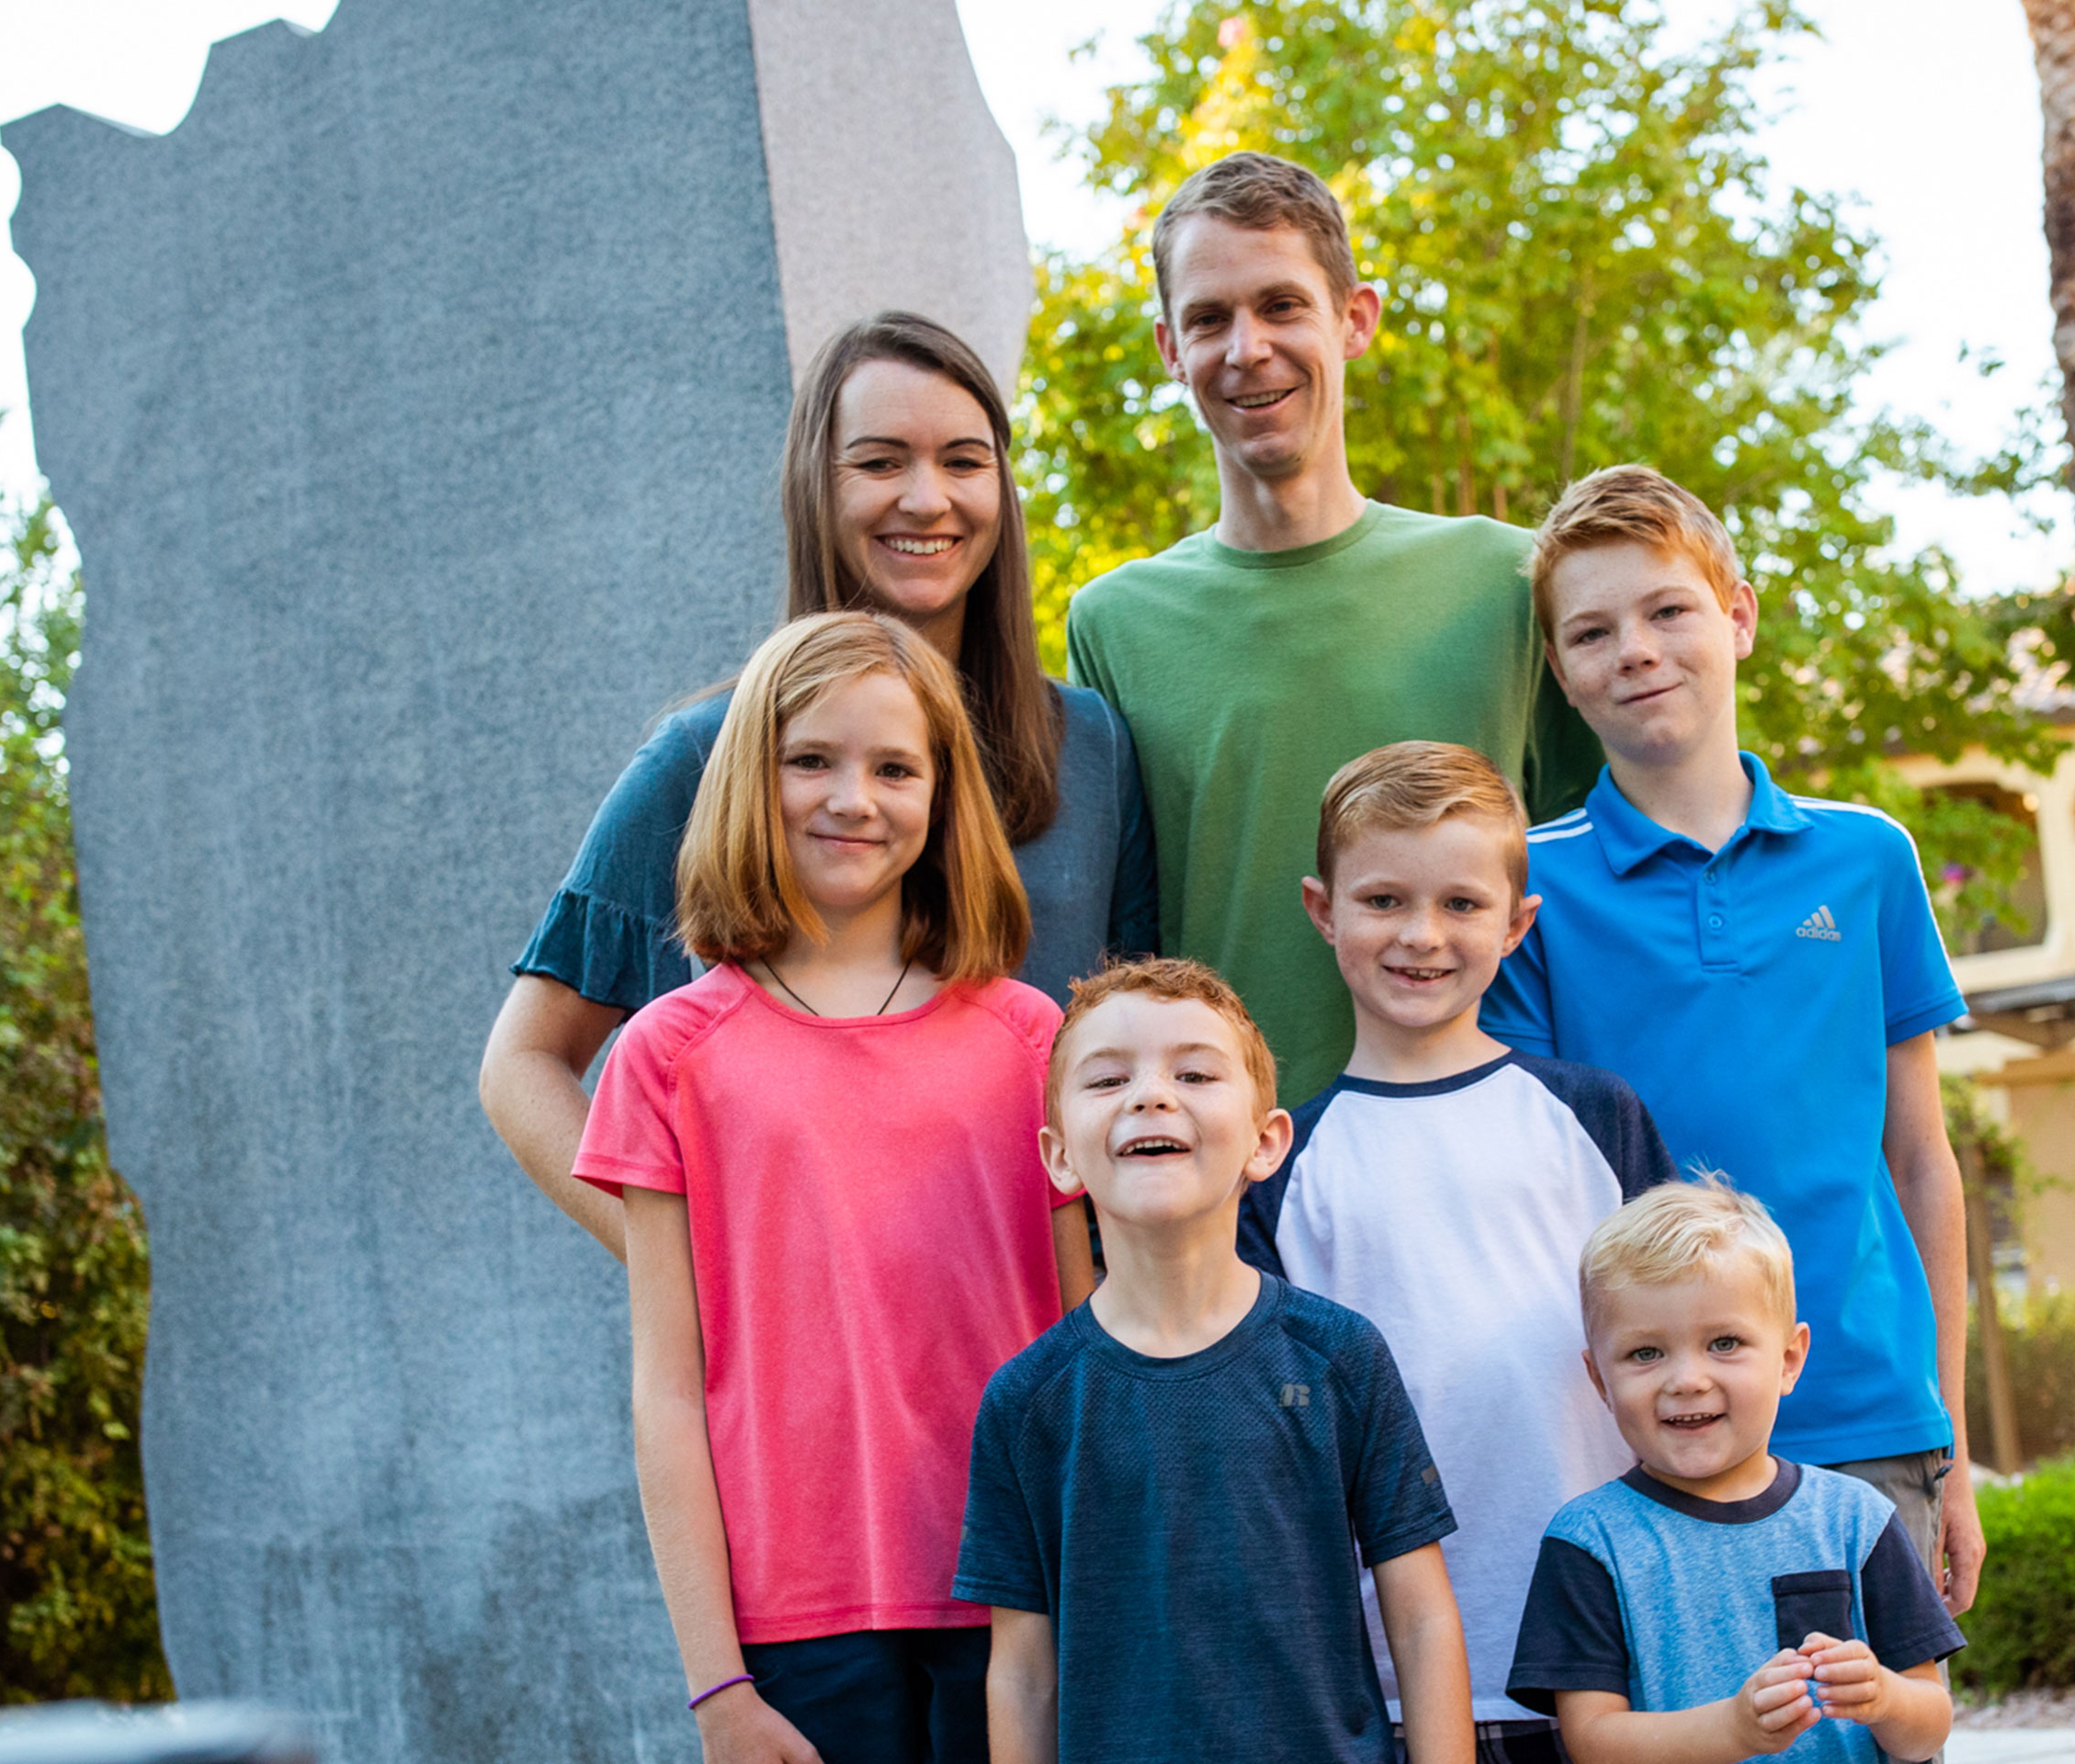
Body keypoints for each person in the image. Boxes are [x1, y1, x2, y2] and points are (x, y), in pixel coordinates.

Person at [484, 311, 1155, 1259]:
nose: (927, 499)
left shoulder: (1089, 746)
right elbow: (523, 1063)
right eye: (880, 463)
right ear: (815, 484)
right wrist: (698, 1281)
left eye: (964, 462)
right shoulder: (704, 756)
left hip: (1051, 1333)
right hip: (812, 1371)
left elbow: (1140, 1044)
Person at [574, 613, 1096, 1764]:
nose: (851, 798)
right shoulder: (670, 1053)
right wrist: (717, 1686)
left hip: (1017, 1606)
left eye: (894, 767)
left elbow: (1082, 1348)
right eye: (810, 759)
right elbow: (668, 1390)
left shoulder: (1029, 1040)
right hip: (789, 1630)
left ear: (943, 795)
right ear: (750, 781)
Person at [1480, 466, 1985, 1612]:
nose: (1638, 650)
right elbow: (1538, 1183)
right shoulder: (1532, 892)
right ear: (1560, 671)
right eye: (1594, 631)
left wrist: (1949, 1434)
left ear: (1739, 617)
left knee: (1871, 1733)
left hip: (1865, 1418)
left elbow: (1921, 1160)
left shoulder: (1867, 861)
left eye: (1669, 611)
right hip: (1648, 1433)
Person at [1062, 151, 1599, 1107]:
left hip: (1488, 1146)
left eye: (1280, 306)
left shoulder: (1508, 581)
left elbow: (1601, 875)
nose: (1246, 348)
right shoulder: (1114, 622)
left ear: (1355, 319)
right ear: (1168, 350)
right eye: (1209, 319)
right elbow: (1120, 922)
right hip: (1233, 1166)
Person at [1237, 741, 1674, 1754]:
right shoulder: (1281, 1170)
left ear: (1519, 923)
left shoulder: (1596, 1119)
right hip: (1399, 1690)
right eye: (1383, 900)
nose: (1421, 936)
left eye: (1462, 905)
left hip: (1619, 1670)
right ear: (1322, 911)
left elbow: (1683, 1357)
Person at [955, 957, 1475, 1764]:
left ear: (1265, 1143)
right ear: (1059, 1159)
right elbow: (1023, 1672)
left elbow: (1421, 1618)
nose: (1151, 1095)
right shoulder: (1028, 1402)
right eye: (1107, 1080)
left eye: (1195, 1072)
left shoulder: (1341, 1356)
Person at [1507, 1182, 1962, 1764]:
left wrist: (1885, 1698)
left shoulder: (1856, 1519)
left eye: (1724, 1343)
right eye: (1646, 1353)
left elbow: (1930, 1724)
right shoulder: (1589, 1543)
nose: (1687, 1380)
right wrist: (1734, 1730)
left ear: (1789, 1360)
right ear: (1600, 1380)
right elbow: (1594, 1742)